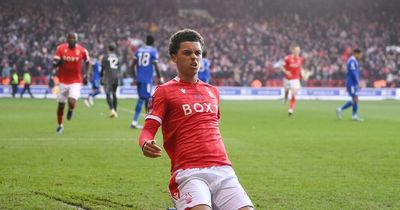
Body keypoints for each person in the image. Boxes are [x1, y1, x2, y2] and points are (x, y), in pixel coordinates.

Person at [138, 29, 254, 210]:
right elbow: (147, 130)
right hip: (189, 172)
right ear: (174, 57)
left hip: (223, 170)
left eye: (197, 53)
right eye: (187, 53)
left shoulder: (213, 91)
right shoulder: (164, 91)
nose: (194, 57)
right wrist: (145, 144)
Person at [53, 32, 90, 133]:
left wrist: (87, 75)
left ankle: (71, 109)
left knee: (71, 101)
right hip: (63, 81)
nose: (72, 40)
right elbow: (54, 63)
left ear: (77, 40)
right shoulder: (60, 48)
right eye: (70, 38)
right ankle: (60, 125)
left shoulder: (82, 50)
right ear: (67, 39)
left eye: (74, 38)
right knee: (61, 105)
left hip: (76, 81)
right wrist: (58, 63)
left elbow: (88, 62)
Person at [130, 35, 164, 128]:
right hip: (146, 79)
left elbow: (132, 66)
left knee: (145, 99)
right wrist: (160, 77)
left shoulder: (138, 51)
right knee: (145, 100)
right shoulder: (153, 51)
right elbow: (156, 66)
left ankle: (147, 121)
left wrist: (135, 77)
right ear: (153, 43)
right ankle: (134, 122)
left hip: (140, 79)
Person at [336, 49, 363, 121]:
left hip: (352, 83)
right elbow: (353, 73)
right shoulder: (352, 62)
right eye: (359, 55)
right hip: (352, 83)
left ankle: (353, 115)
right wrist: (358, 82)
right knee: (355, 99)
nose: (360, 56)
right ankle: (342, 110)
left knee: (355, 100)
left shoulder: (353, 61)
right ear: (356, 54)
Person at [280, 43, 304, 116]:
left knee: (293, 94)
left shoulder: (300, 59)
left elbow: (300, 68)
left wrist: (302, 74)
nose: (298, 52)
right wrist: (286, 72)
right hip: (287, 79)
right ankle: (285, 98)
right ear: (293, 50)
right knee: (287, 91)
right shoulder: (288, 58)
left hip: (295, 79)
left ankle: (291, 109)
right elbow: (281, 66)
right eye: (296, 50)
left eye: (299, 50)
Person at [101, 44, 121, 118]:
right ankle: (115, 110)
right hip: (116, 77)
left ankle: (112, 110)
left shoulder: (105, 57)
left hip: (108, 77)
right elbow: (119, 69)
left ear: (108, 49)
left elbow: (103, 69)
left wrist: (101, 77)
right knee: (114, 93)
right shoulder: (118, 57)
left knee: (107, 93)